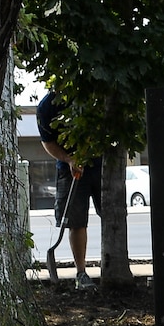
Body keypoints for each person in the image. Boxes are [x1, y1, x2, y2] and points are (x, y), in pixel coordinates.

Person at [35, 89, 103, 289]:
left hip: (100, 164)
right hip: (70, 169)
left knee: (111, 214)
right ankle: (81, 273)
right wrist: (70, 159)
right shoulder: (46, 107)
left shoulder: (91, 95)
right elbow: (48, 142)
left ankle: (111, 265)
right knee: (76, 221)